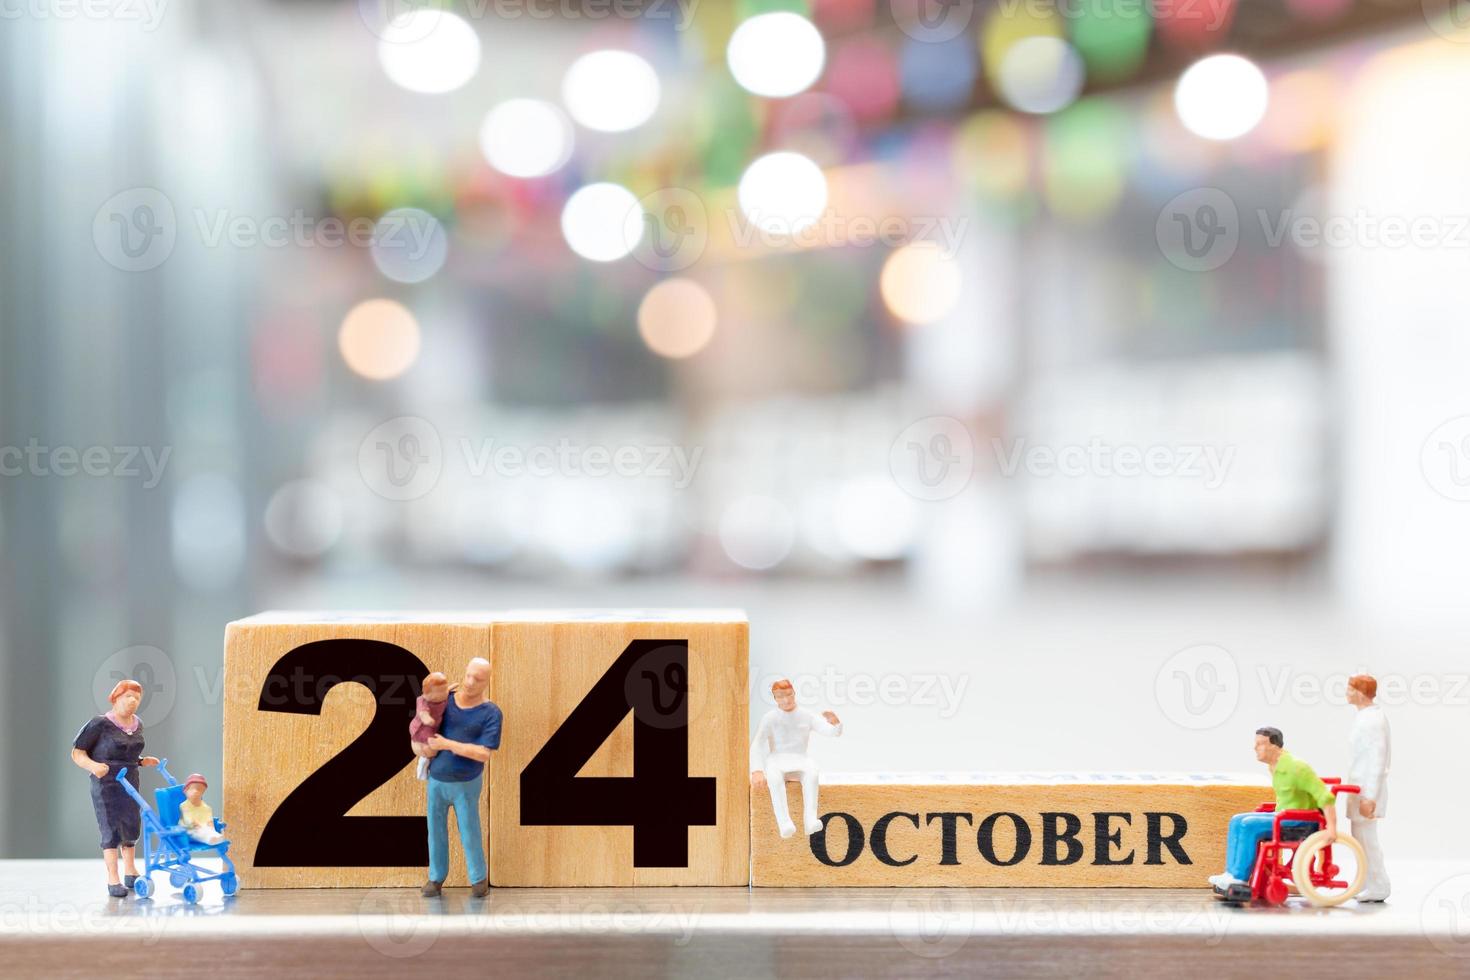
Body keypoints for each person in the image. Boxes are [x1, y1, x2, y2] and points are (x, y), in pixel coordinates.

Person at [1208, 726, 1336, 892]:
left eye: (1260, 744)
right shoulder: (1275, 766)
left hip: (1299, 822)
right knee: (1236, 820)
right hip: (1284, 816)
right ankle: (1230, 874)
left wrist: (1331, 828)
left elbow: (1325, 797)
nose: (1255, 748)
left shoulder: (1297, 768)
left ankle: (1240, 878)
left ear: (1274, 746)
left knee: (1248, 825)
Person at [420, 657, 501, 898]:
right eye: (468, 675)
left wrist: (448, 744)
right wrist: (424, 745)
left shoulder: (491, 713)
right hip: (437, 779)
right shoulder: (447, 700)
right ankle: (435, 877)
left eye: (477, 679)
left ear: (486, 682)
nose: (470, 682)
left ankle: (478, 878)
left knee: (469, 829)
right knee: (434, 830)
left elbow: (483, 753)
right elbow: (425, 719)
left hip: (466, 782)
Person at [71, 679, 160, 897]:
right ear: (115, 698)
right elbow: (77, 752)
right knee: (110, 828)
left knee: (131, 824)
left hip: (130, 780)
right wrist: (93, 766)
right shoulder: (99, 724)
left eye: (137, 697)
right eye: (128, 696)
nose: (133, 701)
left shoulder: (137, 723)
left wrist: (141, 761)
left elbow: (127, 753)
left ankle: (130, 870)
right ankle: (113, 878)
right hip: (106, 782)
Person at [750, 678, 842, 839]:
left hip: (800, 758)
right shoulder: (770, 718)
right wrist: (757, 770)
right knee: (774, 777)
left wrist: (835, 723)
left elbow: (830, 732)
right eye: (780, 696)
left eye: (788, 695)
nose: (786, 700)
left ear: (794, 693)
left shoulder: (806, 716)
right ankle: (784, 823)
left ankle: (810, 820)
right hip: (777, 759)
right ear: (775, 699)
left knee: (812, 774)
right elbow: (757, 744)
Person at [1346, 674, 1391, 902]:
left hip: (1365, 793)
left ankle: (1379, 885)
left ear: (1361, 692)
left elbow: (1377, 760)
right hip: (1359, 791)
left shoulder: (1373, 720)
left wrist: (1370, 797)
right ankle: (1366, 882)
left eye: (1350, 688)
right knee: (1359, 839)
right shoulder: (1364, 717)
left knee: (1368, 840)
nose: (1347, 692)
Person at [409, 672, 450, 781]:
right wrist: (427, 718)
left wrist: (449, 689)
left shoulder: (442, 699)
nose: (445, 693)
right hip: (422, 729)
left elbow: (445, 693)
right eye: (442, 691)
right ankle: (424, 762)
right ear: (429, 694)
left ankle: (428, 761)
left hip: (433, 727)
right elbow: (422, 712)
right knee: (433, 748)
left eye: (445, 689)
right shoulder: (423, 700)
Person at [178, 773, 225, 845]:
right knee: (201, 831)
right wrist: (198, 825)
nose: (196, 791)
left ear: (203, 792)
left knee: (210, 830)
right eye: (192, 789)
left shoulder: (206, 808)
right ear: (186, 791)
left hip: (204, 827)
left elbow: (209, 821)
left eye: (199, 789)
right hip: (189, 830)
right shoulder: (184, 806)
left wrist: (210, 826)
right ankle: (210, 839)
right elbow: (188, 821)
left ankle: (216, 837)